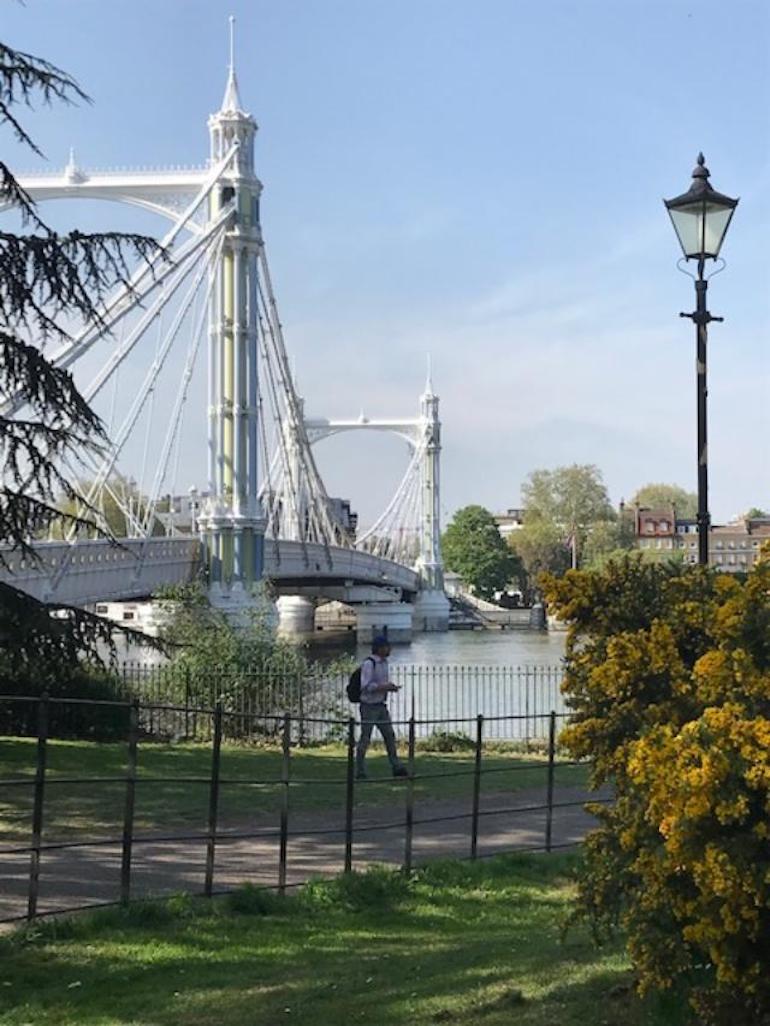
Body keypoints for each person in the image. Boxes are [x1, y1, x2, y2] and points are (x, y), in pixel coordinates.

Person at [356, 635, 409, 780]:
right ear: (379, 648)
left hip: (380, 705)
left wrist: (388, 688)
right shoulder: (369, 663)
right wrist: (385, 687)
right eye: (386, 646)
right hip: (368, 706)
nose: (389, 649)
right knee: (365, 738)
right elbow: (366, 686)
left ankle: (396, 767)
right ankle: (360, 770)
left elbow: (379, 684)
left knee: (389, 736)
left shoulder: (385, 663)